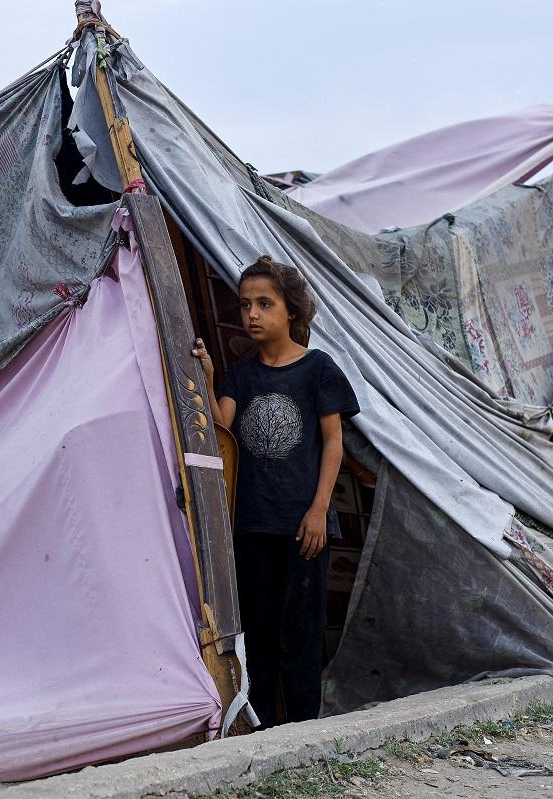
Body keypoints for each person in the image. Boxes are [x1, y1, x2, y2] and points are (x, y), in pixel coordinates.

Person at [191, 254, 359, 728]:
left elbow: (333, 442)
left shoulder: (317, 369)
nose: (252, 315)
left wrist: (319, 509)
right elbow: (222, 432)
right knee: (259, 635)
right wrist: (206, 379)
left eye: (265, 303)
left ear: (292, 312)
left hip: (303, 526)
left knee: (300, 634)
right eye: (245, 305)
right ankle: (264, 734)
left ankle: (305, 730)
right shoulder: (242, 376)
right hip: (251, 526)